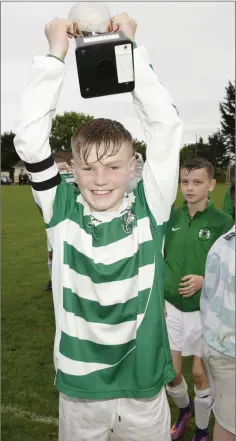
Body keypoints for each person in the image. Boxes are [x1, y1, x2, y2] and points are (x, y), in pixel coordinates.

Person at [14, 14, 183, 441]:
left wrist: (127, 47)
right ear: (72, 168)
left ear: (133, 167)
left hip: (144, 394)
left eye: (113, 166)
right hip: (80, 394)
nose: (101, 178)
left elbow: (166, 126)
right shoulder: (62, 207)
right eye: (87, 167)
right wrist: (55, 55)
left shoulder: (152, 205)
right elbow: (30, 141)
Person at [164, 157, 234, 441]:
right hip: (171, 307)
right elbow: (160, 258)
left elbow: (229, 269)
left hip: (204, 313)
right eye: (184, 182)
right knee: (170, 374)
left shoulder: (224, 222)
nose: (189, 188)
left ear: (212, 185)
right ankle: (185, 409)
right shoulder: (170, 217)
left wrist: (204, 281)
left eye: (197, 182)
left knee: (200, 376)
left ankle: (203, 429)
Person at [43, 153, 144, 292]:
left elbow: (138, 179)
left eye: (114, 167)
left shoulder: (127, 185)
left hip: (110, 218)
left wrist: (137, 158)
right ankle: (55, 279)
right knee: (55, 250)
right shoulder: (71, 184)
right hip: (77, 216)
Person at [201, 180, 235, 441]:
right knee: (227, 423)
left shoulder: (222, 243)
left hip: (218, 347)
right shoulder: (223, 247)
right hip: (227, 352)